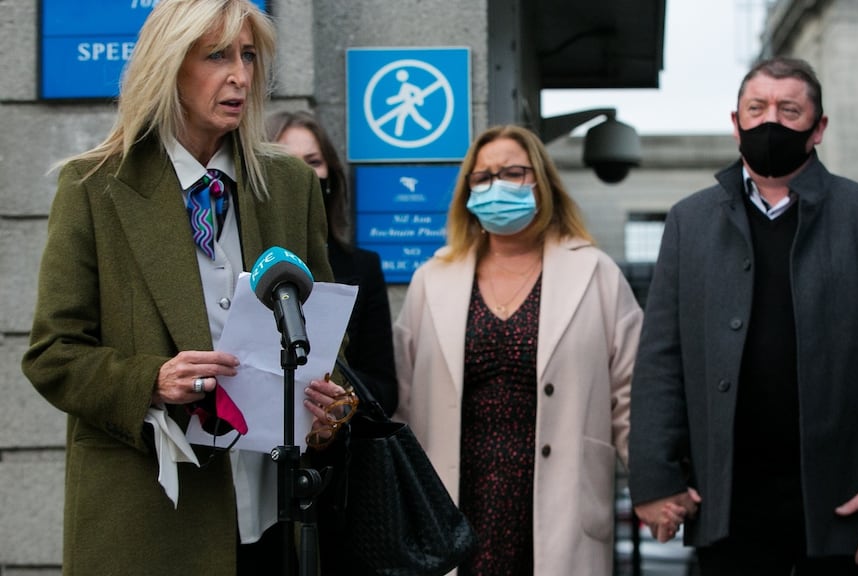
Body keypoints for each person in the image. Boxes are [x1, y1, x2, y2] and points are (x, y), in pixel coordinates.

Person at [20, 1, 352, 574]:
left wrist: (330, 409)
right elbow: (53, 354)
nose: (240, 76)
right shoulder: (94, 187)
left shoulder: (290, 184)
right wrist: (151, 380)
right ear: (169, 66)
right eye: (217, 56)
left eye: (249, 56)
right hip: (146, 518)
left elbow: (325, 346)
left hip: (275, 516)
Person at [628, 56, 858, 575]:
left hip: (848, 509)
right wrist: (655, 478)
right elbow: (662, 359)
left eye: (789, 110)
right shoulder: (690, 222)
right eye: (757, 108)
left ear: (817, 129)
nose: (770, 121)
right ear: (736, 124)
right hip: (727, 505)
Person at [392, 124, 643, 576]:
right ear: (467, 190)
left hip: (561, 500)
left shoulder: (596, 273)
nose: (497, 186)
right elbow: (401, 401)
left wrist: (654, 488)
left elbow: (632, 394)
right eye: (483, 177)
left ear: (541, 181)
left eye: (512, 172)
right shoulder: (432, 279)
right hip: (457, 497)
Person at [266, 110, 397, 414]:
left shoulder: (361, 267)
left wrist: (343, 398)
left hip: (331, 449)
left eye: (313, 162)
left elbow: (385, 391)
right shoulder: (236, 257)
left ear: (330, 177)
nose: (303, 176)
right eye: (287, 162)